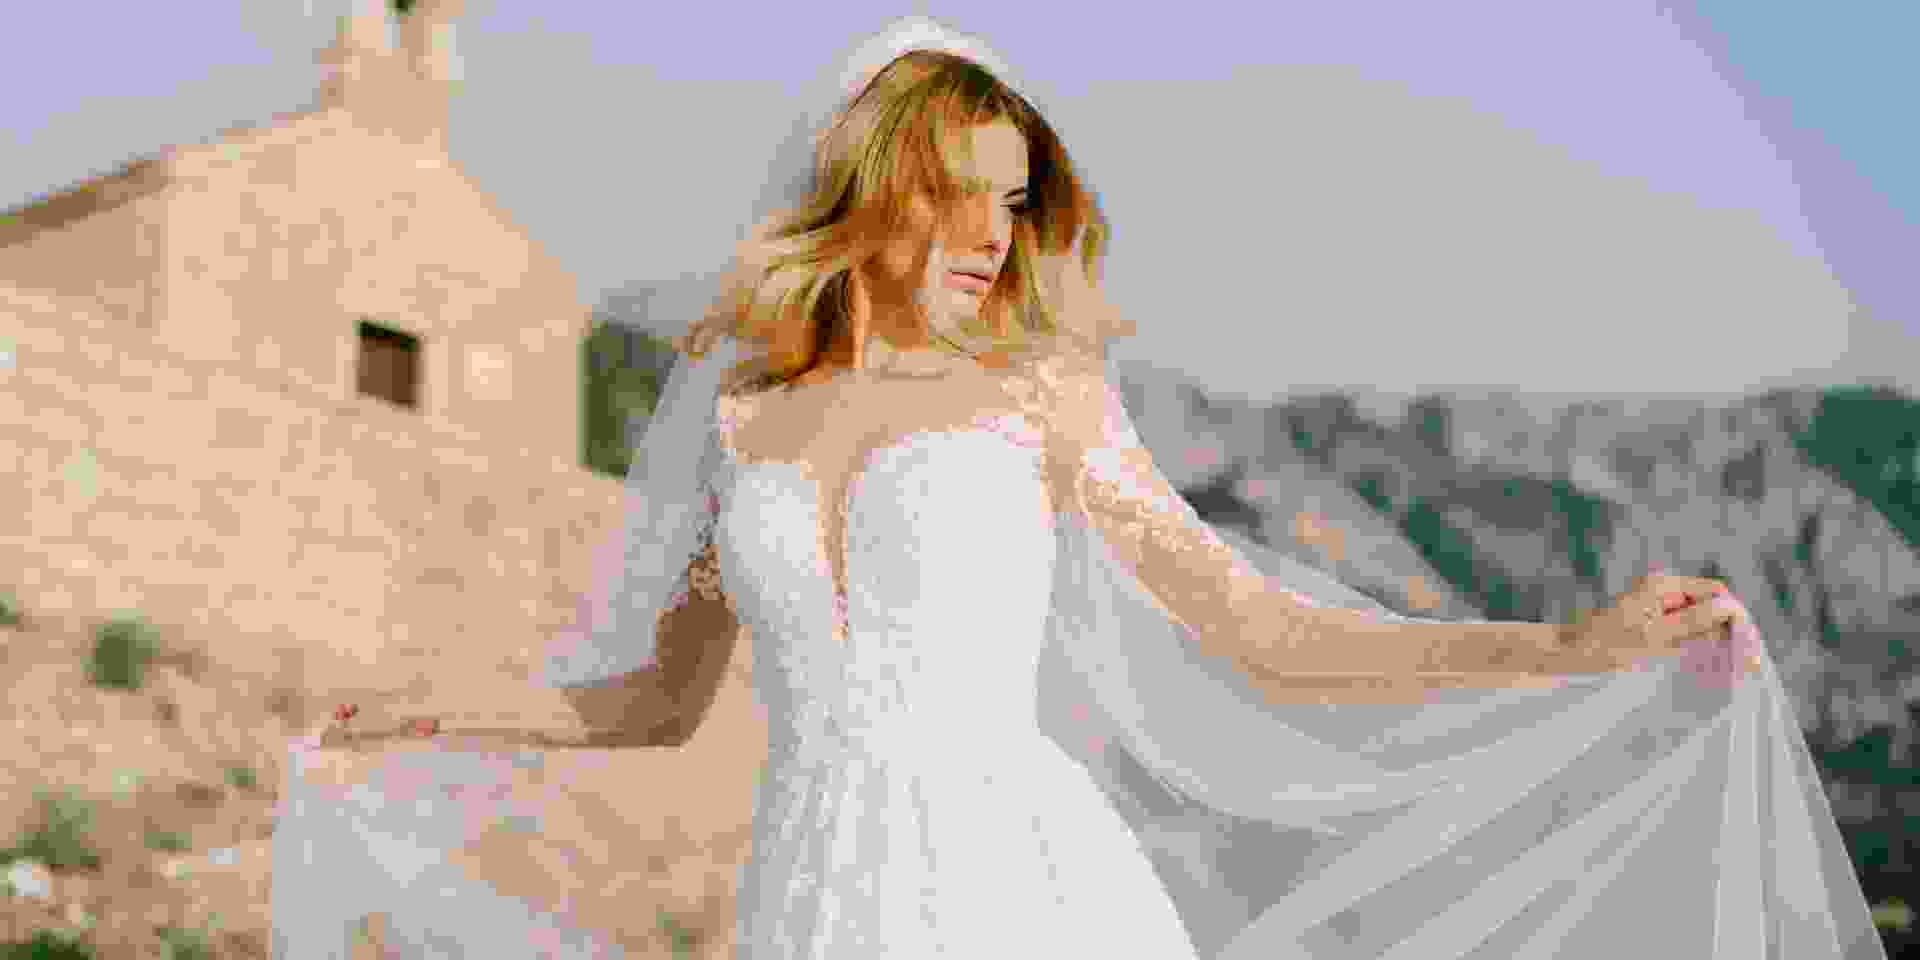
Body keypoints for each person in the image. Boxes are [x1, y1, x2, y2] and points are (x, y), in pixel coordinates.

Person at [270, 16, 1886, 960]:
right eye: (963, 196)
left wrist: (1567, 645)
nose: (996, 236)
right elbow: (654, 701)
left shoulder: (1039, 396)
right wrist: (423, 710)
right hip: (813, 899)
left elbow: (1259, 625)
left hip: (1019, 884)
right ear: (873, 189)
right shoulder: (750, 421)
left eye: (1017, 202)